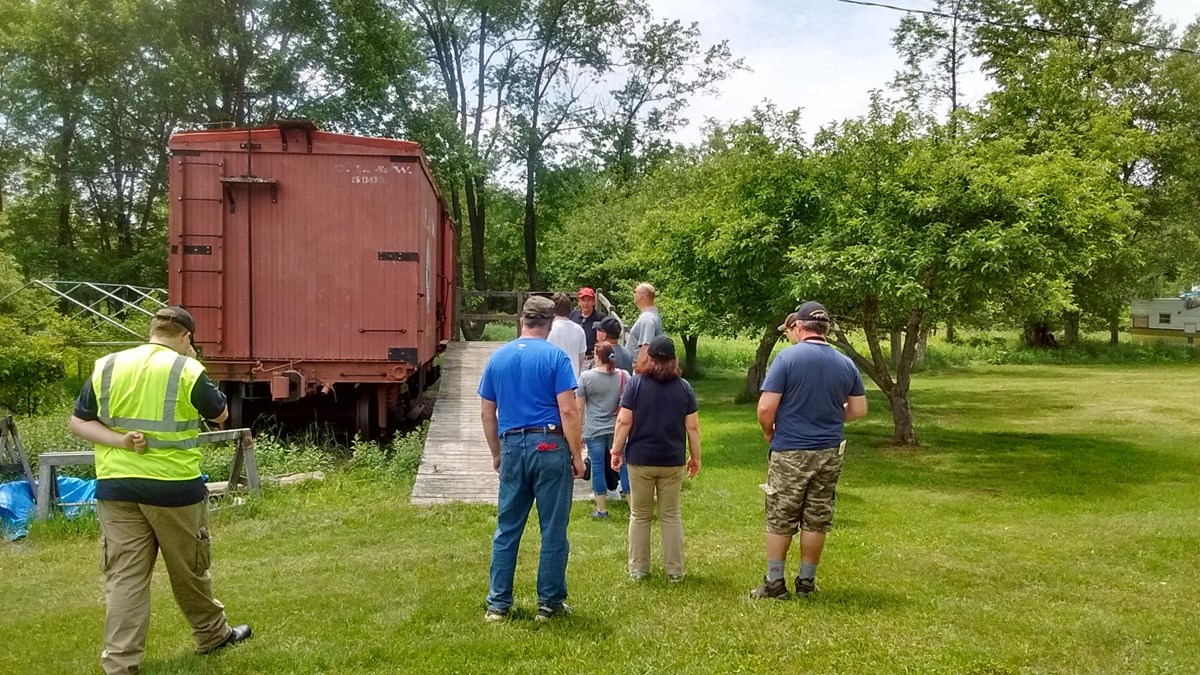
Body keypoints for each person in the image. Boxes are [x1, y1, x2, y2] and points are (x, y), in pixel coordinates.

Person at [67, 307, 252, 675]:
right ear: (186, 337)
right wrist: (194, 362)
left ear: (152, 331)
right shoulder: (187, 368)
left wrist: (120, 440)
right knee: (190, 570)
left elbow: (78, 422)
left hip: (116, 488)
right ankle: (212, 635)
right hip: (173, 489)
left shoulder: (107, 365)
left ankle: (120, 665)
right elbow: (220, 415)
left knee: (125, 579)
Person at [479, 295, 587, 622]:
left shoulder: (498, 358)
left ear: (522, 321)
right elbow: (568, 410)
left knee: (507, 527)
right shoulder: (555, 358)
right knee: (553, 528)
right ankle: (549, 602)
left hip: (512, 445)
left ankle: (498, 604)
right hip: (549, 444)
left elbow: (487, 413)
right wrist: (577, 454)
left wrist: (497, 453)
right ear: (550, 322)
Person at [751, 301, 868, 601]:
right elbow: (859, 409)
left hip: (791, 450)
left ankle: (775, 584)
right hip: (829, 452)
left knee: (781, 516)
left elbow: (765, 407)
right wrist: (827, 413)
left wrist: (768, 431)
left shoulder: (787, 359)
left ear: (800, 327)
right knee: (816, 518)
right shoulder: (845, 363)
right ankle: (806, 582)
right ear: (826, 330)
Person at [611, 336, 701, 583]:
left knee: (639, 515)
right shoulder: (683, 387)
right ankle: (675, 570)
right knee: (670, 515)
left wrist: (616, 450)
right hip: (672, 460)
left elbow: (624, 421)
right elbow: (692, 427)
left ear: (649, 358)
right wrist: (695, 457)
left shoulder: (635, 384)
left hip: (641, 459)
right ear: (674, 360)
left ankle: (638, 569)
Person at [576, 343, 630, 518]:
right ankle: (633, 509)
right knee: (623, 467)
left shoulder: (585, 377)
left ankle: (601, 509)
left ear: (597, 357)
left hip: (594, 429)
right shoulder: (624, 375)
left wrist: (578, 432)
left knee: (597, 467)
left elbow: (579, 409)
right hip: (617, 429)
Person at [547, 292, 588, 378]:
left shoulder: (549, 329)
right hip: (573, 378)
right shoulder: (579, 329)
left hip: (554, 378)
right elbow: (581, 357)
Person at [625, 283, 663, 370]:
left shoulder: (647, 318)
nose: (633, 295)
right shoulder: (650, 315)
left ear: (640, 296)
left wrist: (639, 373)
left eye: (635, 292)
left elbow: (646, 347)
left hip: (639, 369)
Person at [569, 287, 607, 359]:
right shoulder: (573, 315)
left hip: (592, 358)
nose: (586, 303)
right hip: (574, 356)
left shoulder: (601, 318)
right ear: (579, 302)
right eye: (583, 300)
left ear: (593, 301)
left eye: (589, 300)